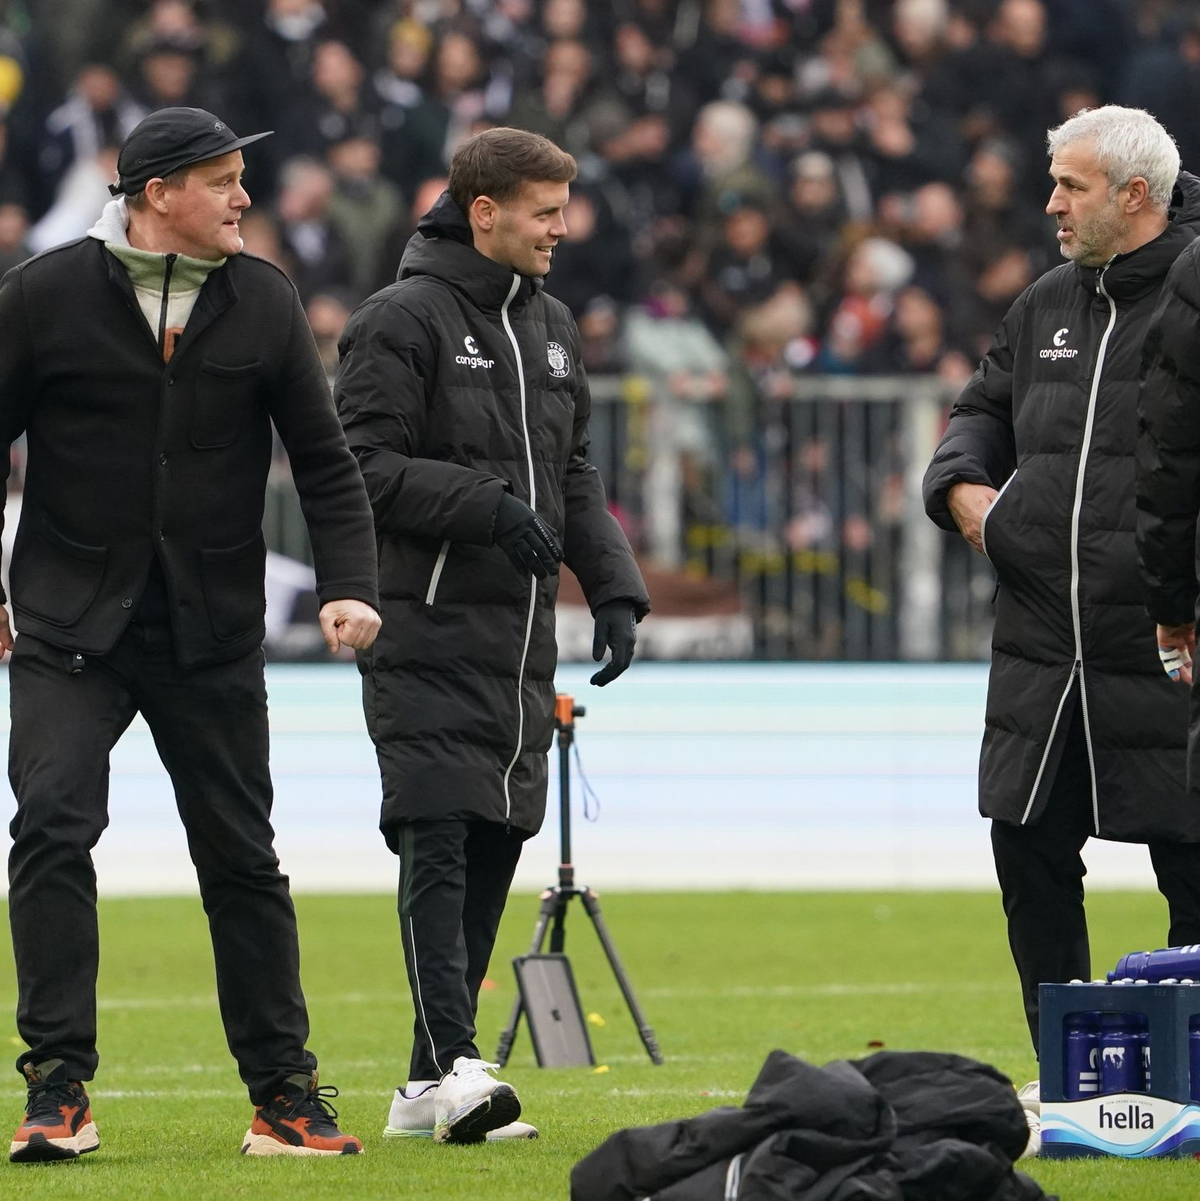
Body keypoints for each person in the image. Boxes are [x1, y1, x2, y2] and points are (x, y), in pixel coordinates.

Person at [0, 107, 381, 1163]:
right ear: (156, 193)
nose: (243, 197)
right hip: (68, 626)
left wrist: (351, 585)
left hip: (211, 629)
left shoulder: (266, 297)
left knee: (242, 857)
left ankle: (284, 1096)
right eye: (221, 180)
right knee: (51, 831)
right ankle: (57, 1090)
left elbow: (325, 461)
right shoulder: (39, 294)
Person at [335, 126, 650, 1144]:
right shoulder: (400, 319)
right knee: (436, 830)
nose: (563, 228)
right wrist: (489, 506)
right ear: (485, 212)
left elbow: (573, 474)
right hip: (422, 623)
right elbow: (360, 469)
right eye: (546, 212)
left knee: (492, 839)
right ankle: (455, 1063)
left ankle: (425, 1083)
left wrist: (615, 587)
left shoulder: (551, 325)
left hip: (520, 638)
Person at [922, 106, 1200, 1114]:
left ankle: (1189, 1076)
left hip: (1164, 633)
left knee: (1191, 859)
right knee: (1027, 846)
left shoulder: (1191, 294)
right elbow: (980, 410)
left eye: (1071, 186)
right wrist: (965, 494)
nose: (1051, 204)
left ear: (1136, 194)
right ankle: (1069, 1072)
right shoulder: (1045, 302)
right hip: (1043, 638)